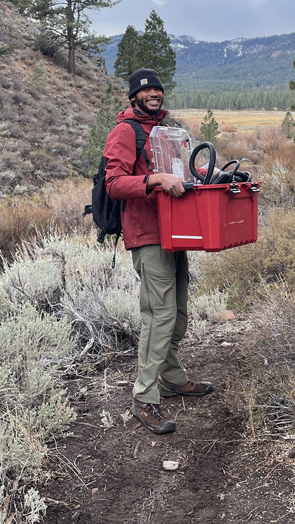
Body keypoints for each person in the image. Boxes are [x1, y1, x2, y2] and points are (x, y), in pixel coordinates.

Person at [103, 68, 213, 434]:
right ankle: (144, 398)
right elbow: (115, 183)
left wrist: (204, 175)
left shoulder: (165, 132)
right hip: (147, 234)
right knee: (160, 316)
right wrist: (155, 180)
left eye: (157, 89)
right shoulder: (125, 131)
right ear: (134, 96)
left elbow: (179, 171)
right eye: (145, 90)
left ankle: (172, 377)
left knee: (178, 311)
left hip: (176, 232)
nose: (153, 94)